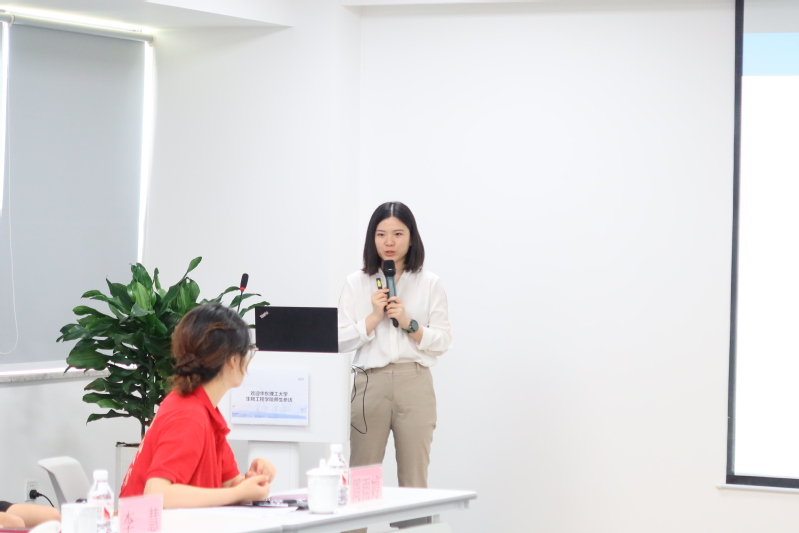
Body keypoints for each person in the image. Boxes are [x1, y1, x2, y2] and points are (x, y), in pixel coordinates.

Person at [339, 201, 452, 489]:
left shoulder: (430, 283)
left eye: (398, 234)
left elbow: (443, 341)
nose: (389, 242)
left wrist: (409, 324)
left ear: (411, 237)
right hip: (369, 383)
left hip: (414, 382)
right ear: (372, 238)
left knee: (414, 480)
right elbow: (338, 341)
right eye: (381, 234)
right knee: (362, 481)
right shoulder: (356, 282)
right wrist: (373, 318)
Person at [119, 303, 276, 508]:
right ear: (232, 359)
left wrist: (251, 483)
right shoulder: (188, 415)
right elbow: (156, 494)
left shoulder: (202, 409)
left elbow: (228, 484)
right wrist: (238, 492)